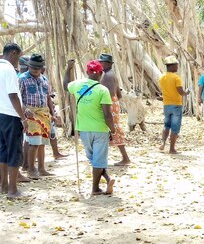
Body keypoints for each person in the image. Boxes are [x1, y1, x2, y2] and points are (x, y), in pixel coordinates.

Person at [63, 59, 116, 196]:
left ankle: (107, 179)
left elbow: (65, 85)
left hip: (84, 129)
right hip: (100, 129)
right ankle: (95, 188)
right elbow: (107, 114)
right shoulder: (102, 90)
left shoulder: (77, 84)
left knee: (93, 158)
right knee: (98, 159)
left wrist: (69, 68)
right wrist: (113, 130)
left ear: (87, 72)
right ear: (100, 73)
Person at [19, 53, 55, 179]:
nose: (34, 69)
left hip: (44, 113)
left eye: (37, 67)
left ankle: (41, 168)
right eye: (32, 67)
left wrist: (53, 113)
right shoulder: (22, 78)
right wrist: (24, 109)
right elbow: (17, 97)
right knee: (34, 141)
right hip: (30, 113)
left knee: (42, 142)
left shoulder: (44, 79)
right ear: (28, 66)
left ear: (41, 68)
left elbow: (48, 97)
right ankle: (31, 169)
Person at [0, 42, 29, 198]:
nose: (18, 61)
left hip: (0, 115)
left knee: (3, 152)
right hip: (11, 116)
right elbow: (12, 95)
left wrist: (23, 108)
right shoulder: (9, 70)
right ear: (13, 53)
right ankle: (13, 190)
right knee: (14, 152)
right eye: (19, 57)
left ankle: (3, 186)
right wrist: (23, 118)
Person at [98, 53, 131, 165]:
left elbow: (109, 94)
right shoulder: (111, 74)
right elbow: (119, 94)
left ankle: (125, 158)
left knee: (113, 130)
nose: (100, 64)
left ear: (106, 64)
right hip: (114, 103)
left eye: (101, 62)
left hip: (109, 104)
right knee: (113, 130)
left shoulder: (107, 75)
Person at [159, 55, 189, 154]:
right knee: (175, 127)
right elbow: (180, 92)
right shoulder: (176, 78)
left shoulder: (162, 77)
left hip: (166, 105)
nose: (177, 67)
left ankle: (163, 143)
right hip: (176, 105)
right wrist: (186, 92)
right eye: (176, 65)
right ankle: (172, 149)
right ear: (171, 66)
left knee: (166, 125)